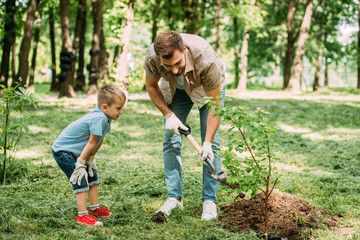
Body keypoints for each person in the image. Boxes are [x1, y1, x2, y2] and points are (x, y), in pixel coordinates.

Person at [143, 31, 226, 220]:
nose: (173, 70)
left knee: (211, 145)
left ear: (185, 49)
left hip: (205, 88)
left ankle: (209, 201)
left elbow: (214, 102)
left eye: (178, 63)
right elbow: (151, 85)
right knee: (171, 140)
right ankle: (174, 198)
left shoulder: (206, 58)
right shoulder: (152, 57)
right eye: (167, 66)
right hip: (176, 90)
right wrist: (168, 114)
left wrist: (206, 142)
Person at [52, 85, 126, 226]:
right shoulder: (99, 118)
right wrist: (80, 163)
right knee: (80, 178)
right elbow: (91, 142)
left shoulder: (106, 118)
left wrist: (91, 159)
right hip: (63, 151)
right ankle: (82, 216)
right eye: (118, 108)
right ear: (105, 107)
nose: (121, 112)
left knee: (92, 175)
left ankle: (94, 207)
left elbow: (99, 139)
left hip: (79, 152)